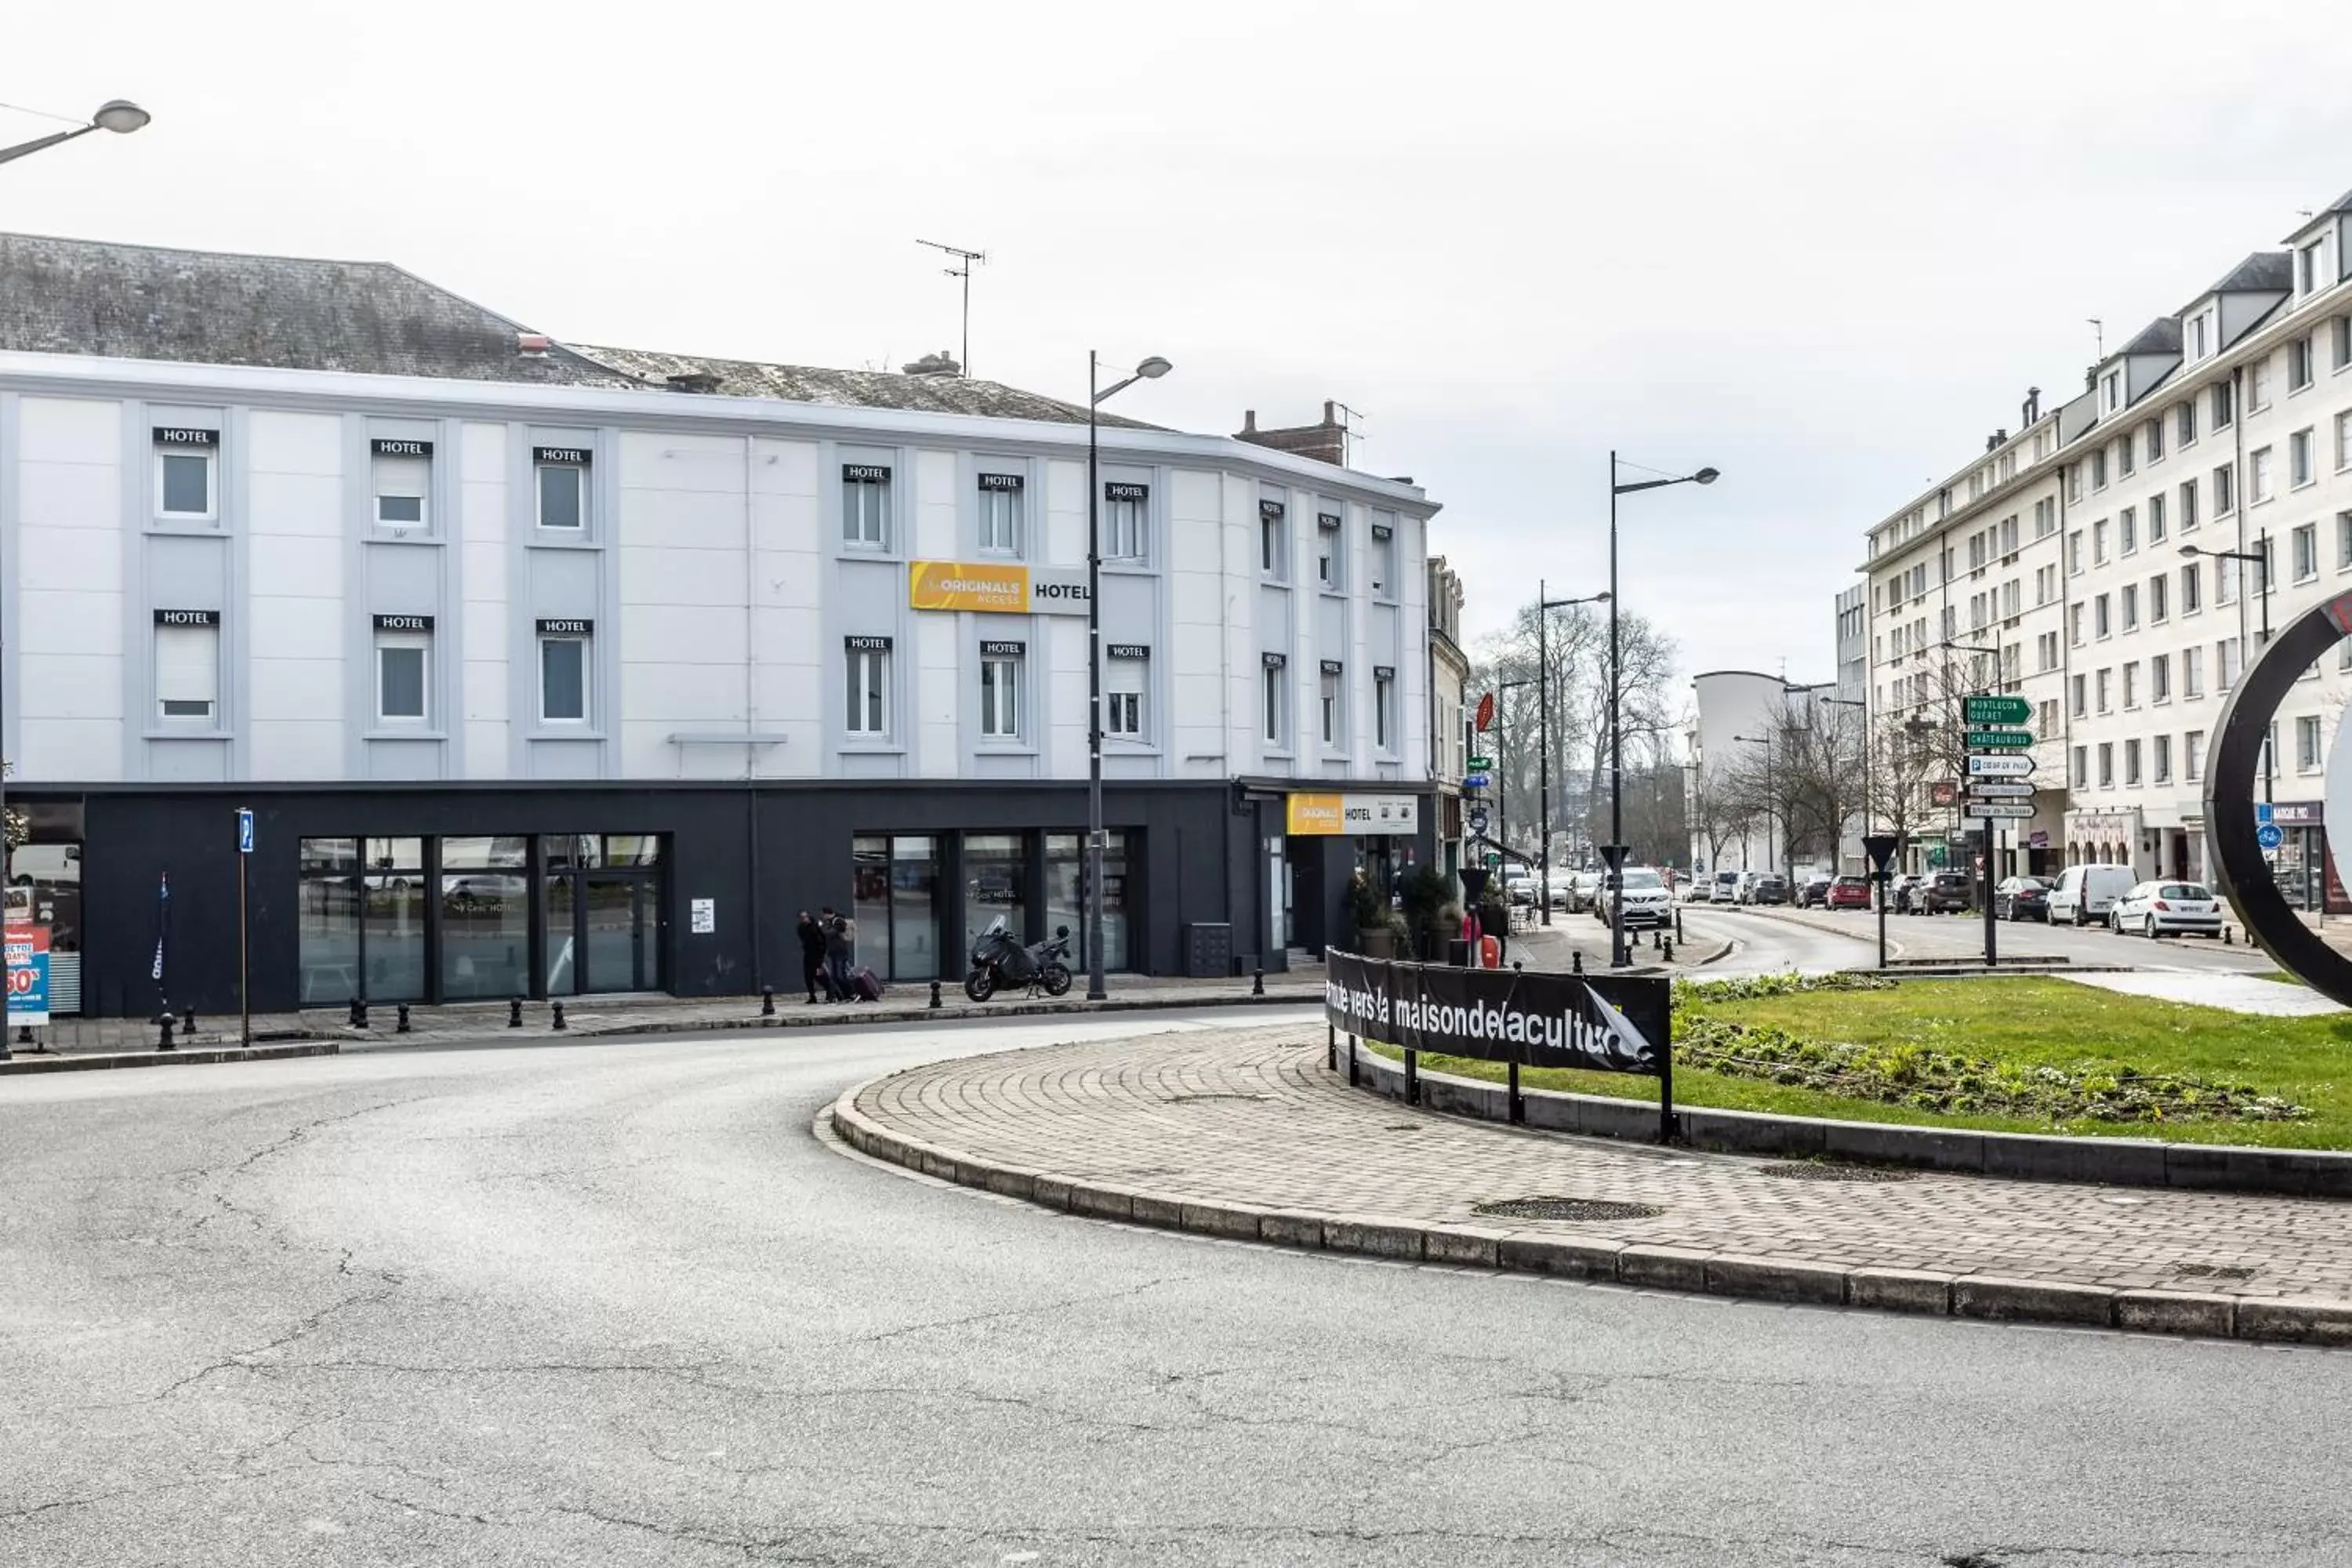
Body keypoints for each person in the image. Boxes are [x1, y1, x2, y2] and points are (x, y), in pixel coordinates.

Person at [797, 909, 833, 1004]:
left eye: (806, 917)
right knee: (808, 976)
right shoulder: (801, 928)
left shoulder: (815, 927)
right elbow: (804, 940)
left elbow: (821, 942)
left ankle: (830, 994)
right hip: (808, 955)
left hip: (817, 956)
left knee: (820, 976)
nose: (804, 919)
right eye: (802, 918)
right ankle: (812, 996)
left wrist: (821, 958)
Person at [826, 909, 857, 1002]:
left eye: (824, 915)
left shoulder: (838, 921)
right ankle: (835, 996)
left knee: (840, 975)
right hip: (834, 953)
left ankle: (852, 993)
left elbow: (831, 934)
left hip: (840, 952)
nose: (823, 917)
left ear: (828, 914)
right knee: (835, 976)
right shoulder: (830, 923)